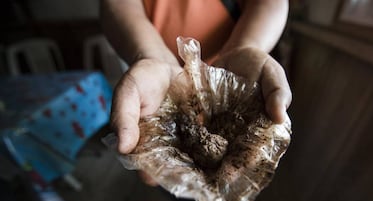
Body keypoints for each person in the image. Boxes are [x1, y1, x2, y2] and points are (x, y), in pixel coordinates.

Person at [100, 0, 291, 186]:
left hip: (232, 73)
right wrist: (150, 54)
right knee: (170, 180)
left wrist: (247, 45)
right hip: (160, 83)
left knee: (244, 168)